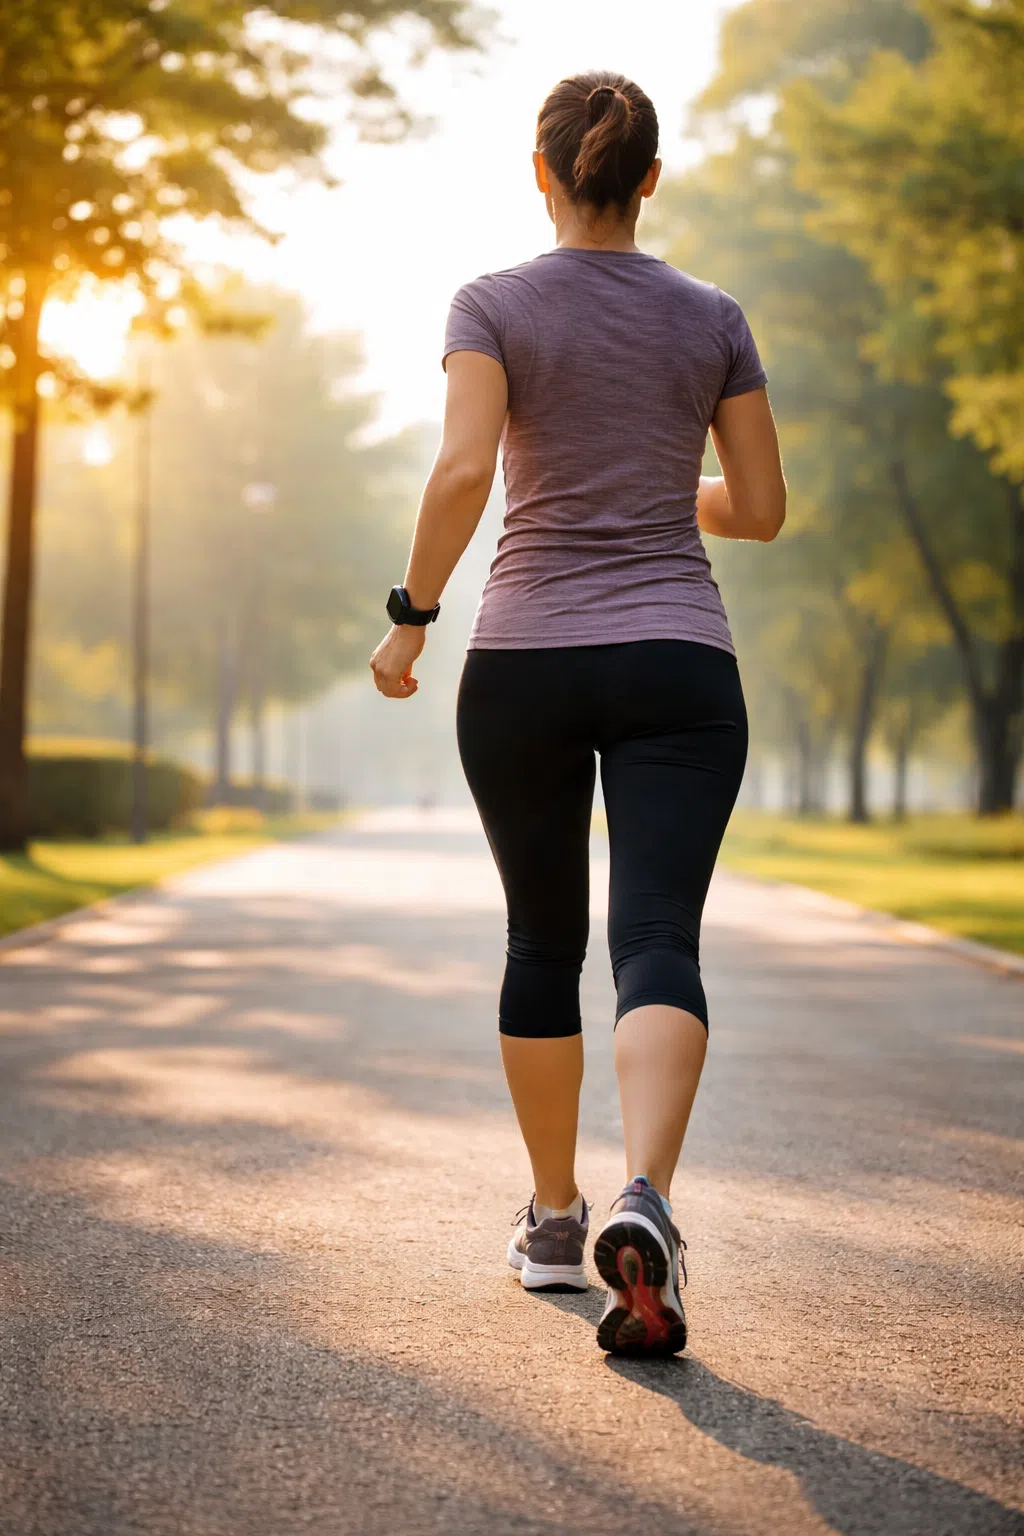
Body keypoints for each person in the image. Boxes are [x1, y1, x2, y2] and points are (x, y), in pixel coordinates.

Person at [370, 69, 785, 1356]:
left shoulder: (490, 303)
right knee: (658, 931)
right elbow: (761, 508)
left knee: (542, 943)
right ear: (649, 177)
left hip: (526, 659)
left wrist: (410, 615)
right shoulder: (712, 316)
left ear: (539, 173)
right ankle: (646, 1198)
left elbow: (462, 469)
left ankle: (555, 1220)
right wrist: (665, 486)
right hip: (679, 659)